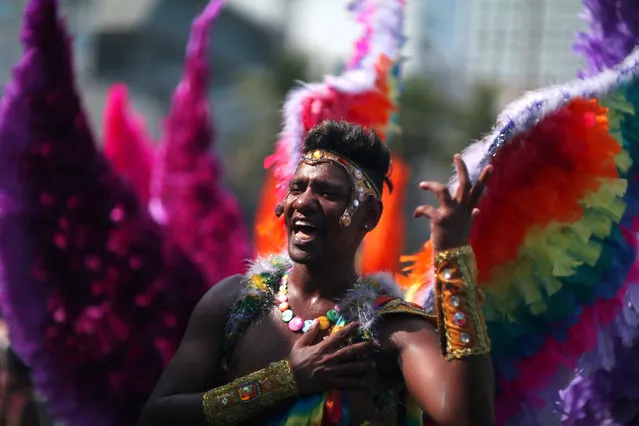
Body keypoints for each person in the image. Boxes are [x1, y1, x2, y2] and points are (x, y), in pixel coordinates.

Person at [139, 120, 494, 426]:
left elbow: (466, 419)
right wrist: (286, 380)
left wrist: (452, 257)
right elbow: (156, 417)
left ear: (368, 215)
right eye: (297, 187)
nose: (303, 202)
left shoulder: (395, 329)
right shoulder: (230, 302)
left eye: (326, 192)